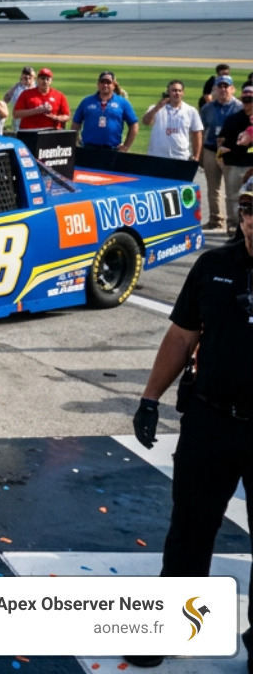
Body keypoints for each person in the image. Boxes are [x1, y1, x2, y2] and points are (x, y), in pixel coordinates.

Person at [129, 176, 253, 670]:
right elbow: (182, 336)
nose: (252, 220)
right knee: (188, 533)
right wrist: (149, 397)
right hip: (211, 421)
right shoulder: (213, 266)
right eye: (247, 211)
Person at [200, 76, 242, 230]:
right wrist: (200, 153)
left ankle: (236, 222)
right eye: (220, 87)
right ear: (215, 90)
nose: (223, 89)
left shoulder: (239, 107)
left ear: (232, 89)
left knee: (233, 188)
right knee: (213, 187)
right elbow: (202, 130)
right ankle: (215, 219)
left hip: (231, 151)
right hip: (211, 149)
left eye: (226, 86)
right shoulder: (207, 108)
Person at [73, 71, 138, 152]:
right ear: (98, 84)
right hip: (88, 148)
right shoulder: (87, 101)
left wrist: (126, 146)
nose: (105, 85)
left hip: (112, 149)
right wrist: (75, 140)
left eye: (108, 82)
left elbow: (134, 125)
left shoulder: (122, 102)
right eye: (102, 82)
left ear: (113, 85)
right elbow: (76, 123)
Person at [143, 81, 205, 162]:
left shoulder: (191, 111)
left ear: (183, 93)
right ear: (168, 92)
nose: (177, 93)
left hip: (181, 157)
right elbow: (146, 122)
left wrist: (196, 156)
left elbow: (197, 134)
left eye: (179, 91)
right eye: (174, 90)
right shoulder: (156, 108)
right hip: (157, 156)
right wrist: (158, 106)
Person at [216, 85, 253, 196]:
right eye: (244, 99)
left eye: (250, 99)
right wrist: (220, 154)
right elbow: (221, 140)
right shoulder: (232, 119)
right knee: (233, 198)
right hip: (235, 165)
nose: (246, 103)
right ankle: (233, 215)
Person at [14, 67, 72, 131]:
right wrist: (37, 110)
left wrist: (55, 117)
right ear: (37, 79)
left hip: (51, 130)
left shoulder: (59, 95)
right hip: (30, 130)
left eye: (48, 79)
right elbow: (16, 114)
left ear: (51, 81)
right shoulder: (26, 94)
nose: (45, 81)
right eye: (42, 78)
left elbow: (67, 116)